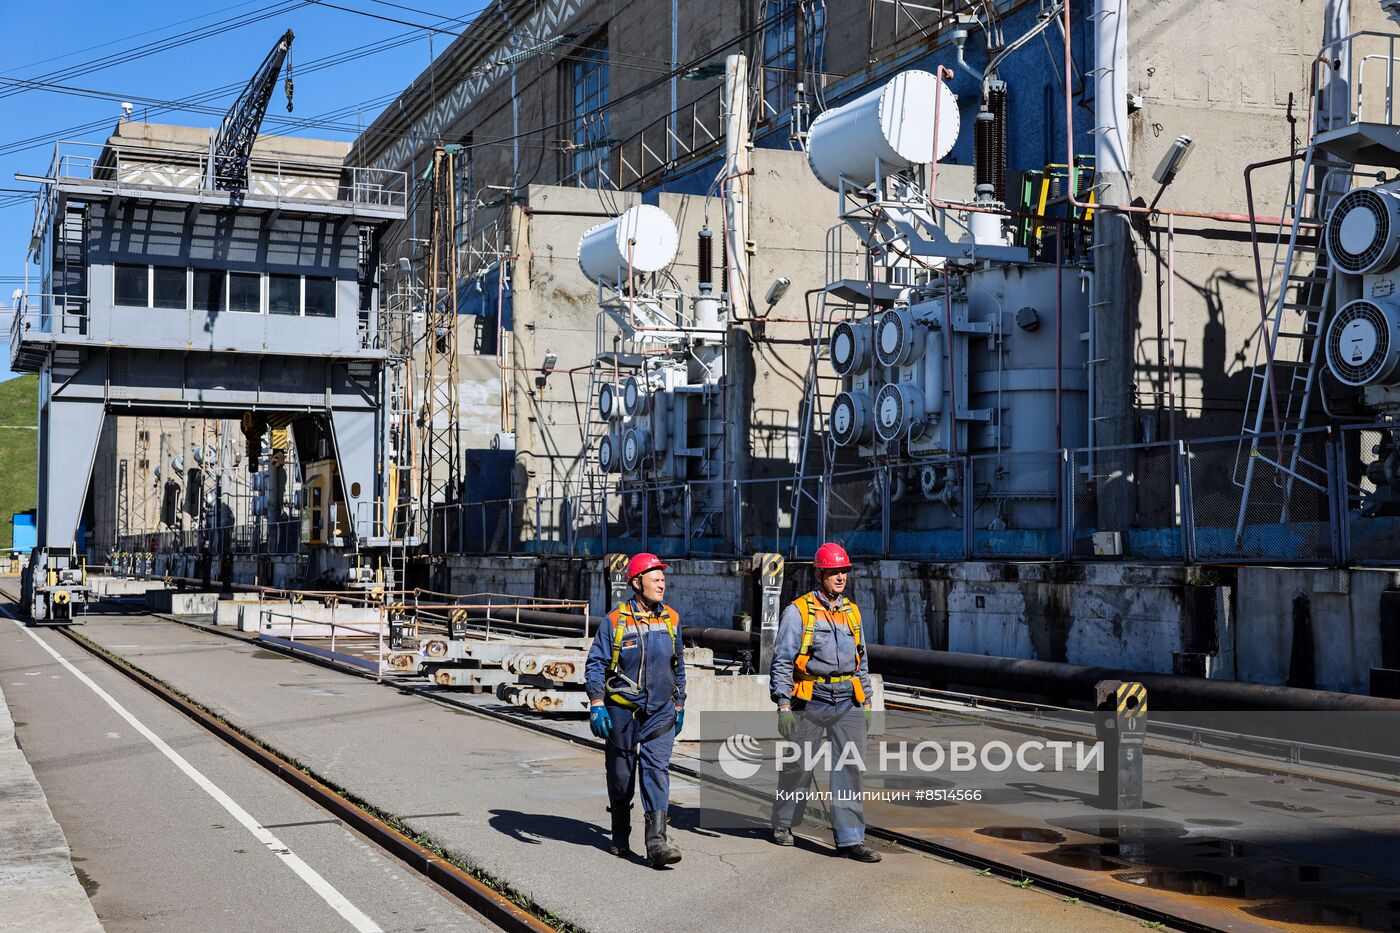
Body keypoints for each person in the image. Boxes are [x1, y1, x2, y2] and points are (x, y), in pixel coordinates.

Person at [768, 541, 881, 862]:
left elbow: (862, 659)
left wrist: (867, 701)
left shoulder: (852, 612)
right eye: (834, 571)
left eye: (844, 570)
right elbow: (782, 661)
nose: (841, 576)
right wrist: (783, 705)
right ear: (820, 574)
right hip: (810, 699)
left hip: (849, 700)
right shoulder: (798, 611)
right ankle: (783, 822)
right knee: (798, 766)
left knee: (849, 769)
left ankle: (850, 839)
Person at [585, 552, 686, 868]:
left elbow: (678, 664)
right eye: (655, 578)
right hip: (622, 712)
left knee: (657, 770)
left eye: (663, 578)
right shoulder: (615, 621)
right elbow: (596, 664)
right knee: (621, 775)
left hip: (660, 712)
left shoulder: (671, 618)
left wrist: (680, 704)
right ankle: (619, 832)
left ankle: (657, 843)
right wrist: (597, 703)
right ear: (636, 582)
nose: (662, 583)